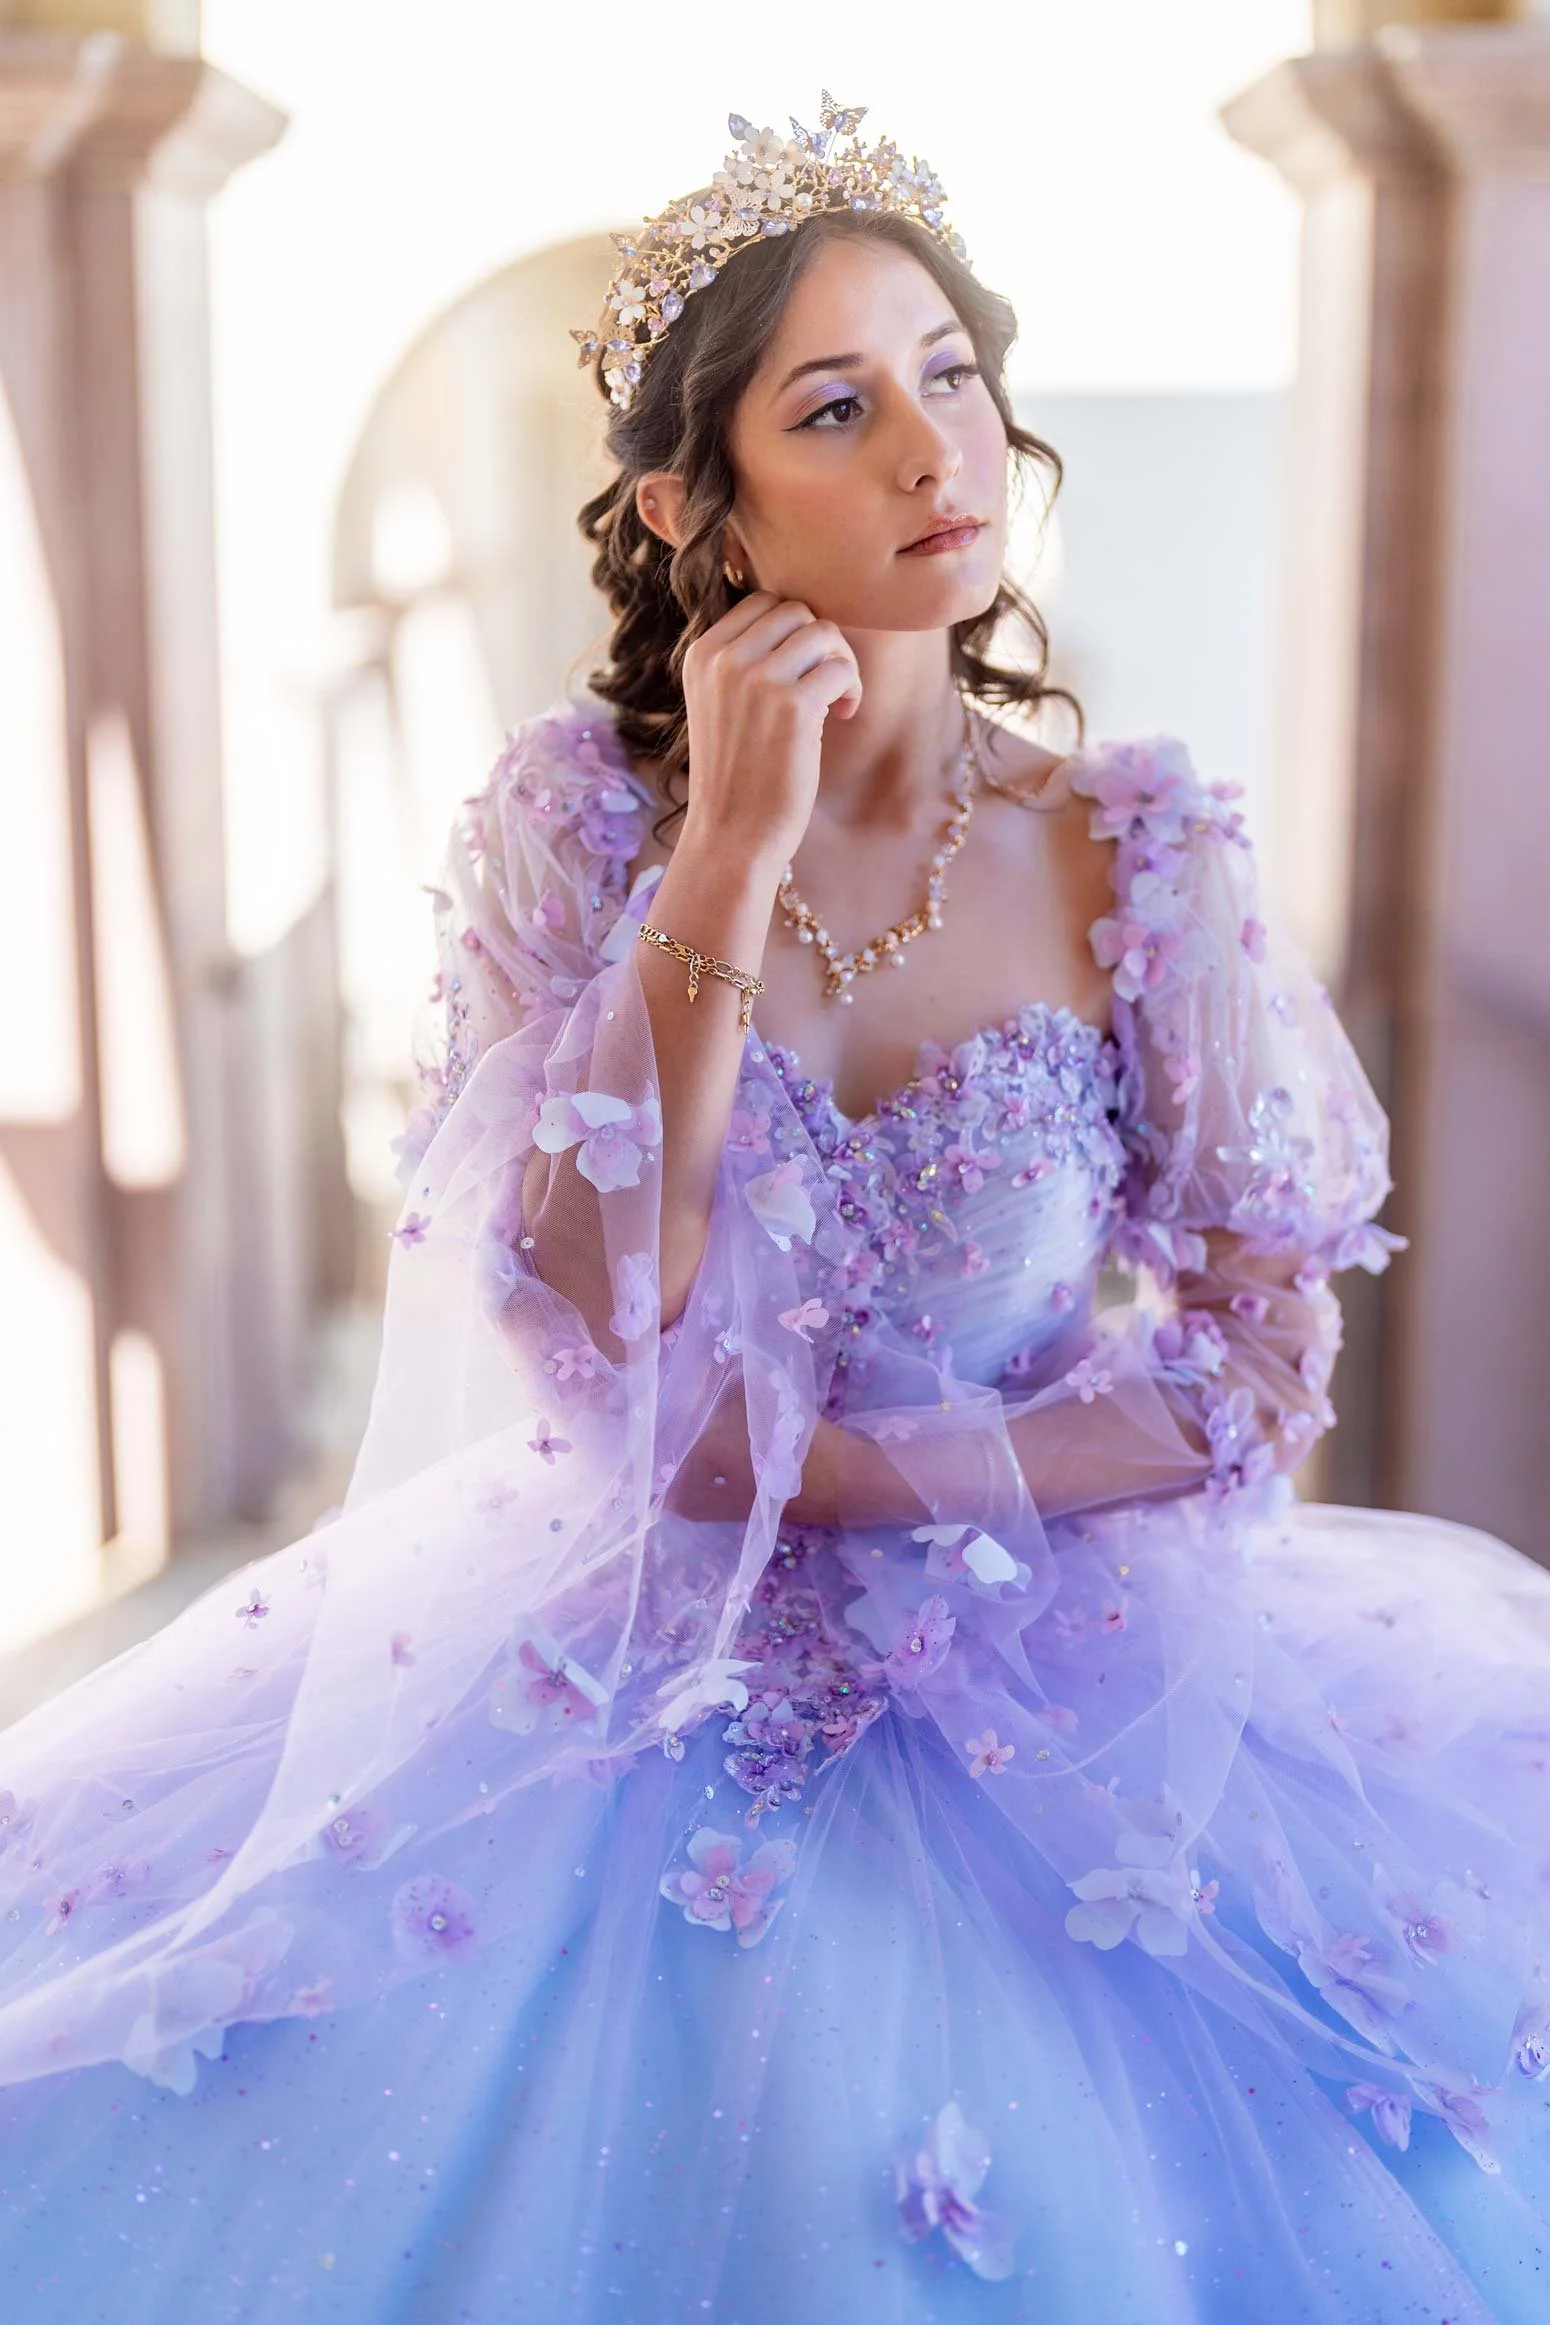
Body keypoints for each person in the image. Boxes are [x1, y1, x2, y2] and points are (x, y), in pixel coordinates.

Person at [2, 93, 1550, 2325]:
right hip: (622, 1649)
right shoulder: (574, 821)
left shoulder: (1139, 852)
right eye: (837, 407)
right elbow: (582, 1299)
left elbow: (1263, 1338)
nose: (937, 452)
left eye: (952, 375)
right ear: (695, 512)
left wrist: (880, 1471)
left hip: (1055, 1658)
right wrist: (716, 861)